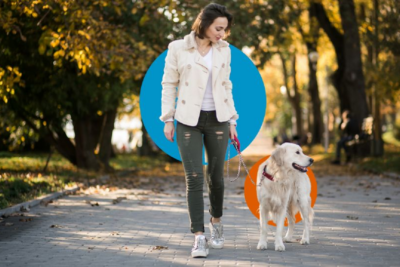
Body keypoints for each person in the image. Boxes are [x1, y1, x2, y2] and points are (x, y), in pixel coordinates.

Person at [159, 4, 238, 258]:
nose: (222, 34)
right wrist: (168, 119)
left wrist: (232, 120)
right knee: (193, 177)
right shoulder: (178, 48)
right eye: (218, 28)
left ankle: (216, 222)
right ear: (203, 23)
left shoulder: (224, 51)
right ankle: (199, 237)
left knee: (215, 177)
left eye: (225, 29)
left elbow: (226, 86)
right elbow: (169, 83)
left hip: (218, 120)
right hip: (187, 121)